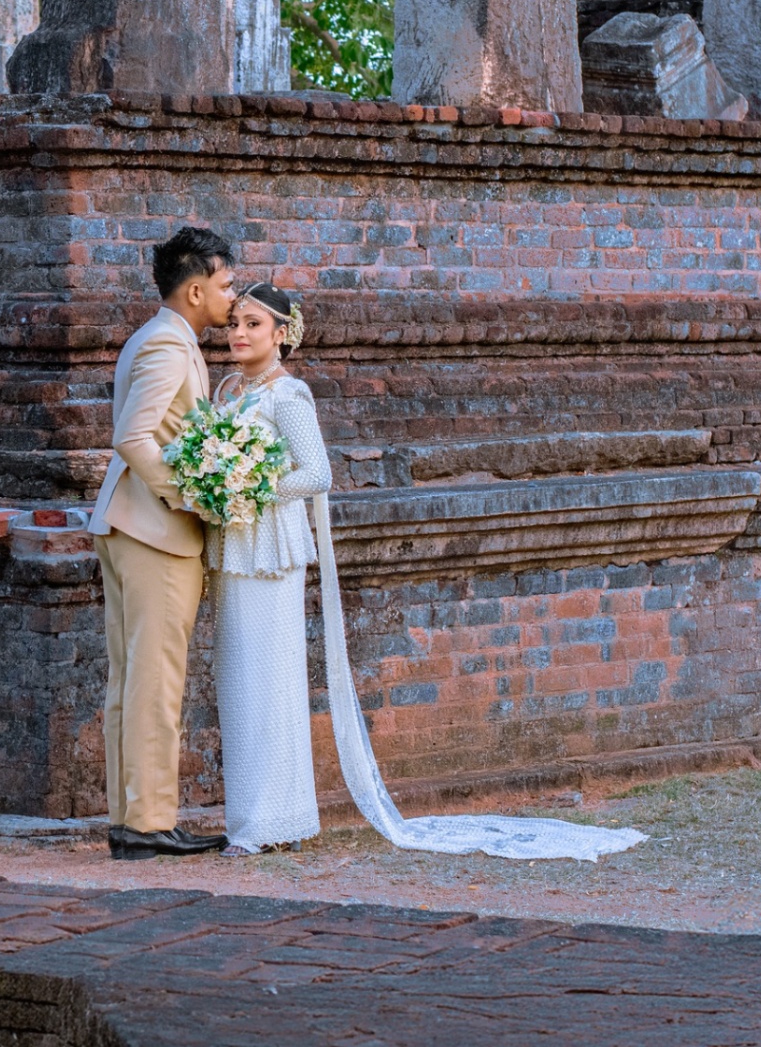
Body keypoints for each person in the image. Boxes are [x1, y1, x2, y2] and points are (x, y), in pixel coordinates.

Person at [210, 283, 647, 862]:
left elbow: (317, 474)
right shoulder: (226, 392)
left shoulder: (288, 396)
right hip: (234, 545)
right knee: (239, 678)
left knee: (270, 680)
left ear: (282, 335)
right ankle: (254, 815)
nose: (239, 335)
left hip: (272, 547)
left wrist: (252, 487)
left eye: (253, 325)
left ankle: (269, 820)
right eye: (234, 323)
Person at [88, 226, 238, 861]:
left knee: (131, 680)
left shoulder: (161, 339)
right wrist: (190, 493)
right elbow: (132, 437)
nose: (233, 298)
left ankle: (133, 819)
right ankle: (149, 823)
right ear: (197, 288)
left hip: (130, 528)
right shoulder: (168, 347)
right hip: (154, 533)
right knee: (155, 682)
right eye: (228, 286)